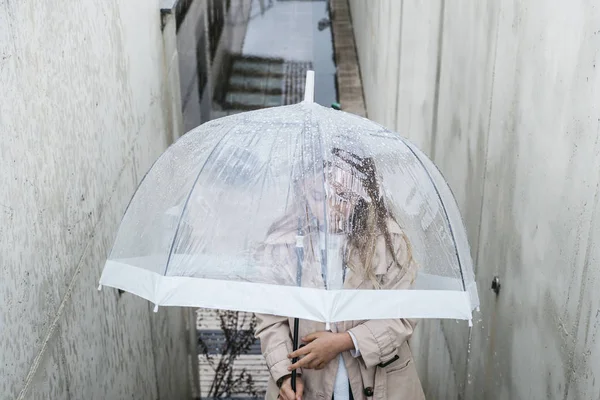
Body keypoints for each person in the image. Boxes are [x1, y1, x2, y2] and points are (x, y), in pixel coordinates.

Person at [254, 149, 426, 400]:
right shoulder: (283, 245)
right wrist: (284, 373)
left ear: (363, 192)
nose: (332, 206)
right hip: (306, 384)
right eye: (317, 196)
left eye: (344, 195)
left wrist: (345, 341)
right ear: (302, 191)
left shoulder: (389, 241)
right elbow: (270, 319)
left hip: (382, 385)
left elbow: (401, 317)